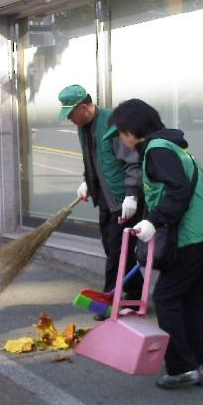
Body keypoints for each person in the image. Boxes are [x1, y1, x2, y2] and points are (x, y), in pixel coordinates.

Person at [109, 99, 203, 389]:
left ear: (131, 130)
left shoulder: (157, 150)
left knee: (166, 298)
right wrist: (140, 206)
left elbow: (177, 189)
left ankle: (183, 367)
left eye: (120, 132)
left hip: (196, 235)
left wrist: (155, 220)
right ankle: (195, 364)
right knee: (188, 301)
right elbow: (167, 189)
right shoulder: (169, 146)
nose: (120, 140)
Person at [57, 84, 143, 319]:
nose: (69, 119)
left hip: (122, 199)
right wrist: (88, 181)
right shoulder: (83, 126)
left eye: (71, 114)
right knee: (113, 248)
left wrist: (132, 194)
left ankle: (108, 301)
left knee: (116, 253)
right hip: (105, 198)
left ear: (84, 107)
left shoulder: (111, 124)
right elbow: (92, 160)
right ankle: (135, 297)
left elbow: (133, 161)